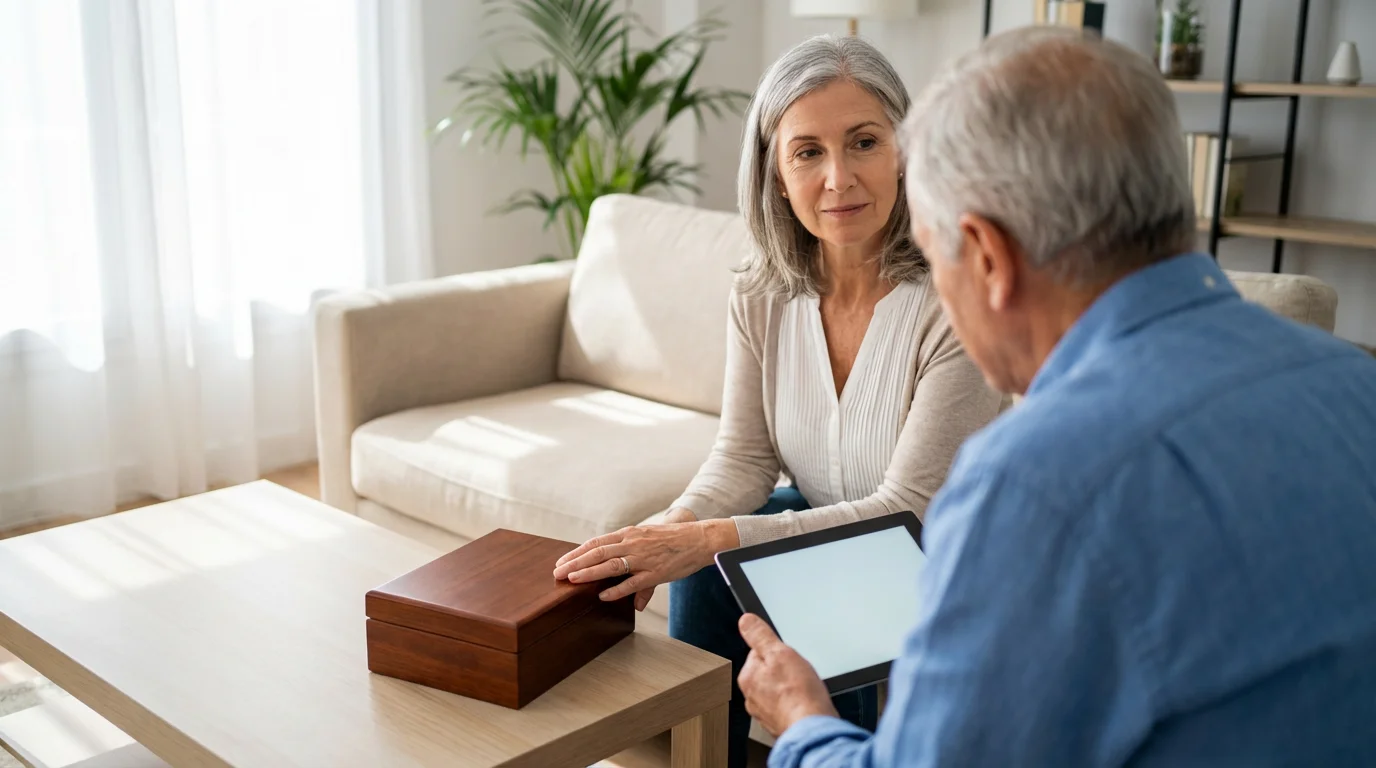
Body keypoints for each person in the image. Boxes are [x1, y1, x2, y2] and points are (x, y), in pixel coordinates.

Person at [735, 25, 1376, 767]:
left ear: (988, 259)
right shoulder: (1353, 381)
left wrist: (805, 720)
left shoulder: (1032, 484)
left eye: (935, 252)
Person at [552, 35, 1003, 767]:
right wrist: (668, 534)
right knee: (702, 556)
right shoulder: (761, 293)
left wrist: (707, 538)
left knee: (735, 554)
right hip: (835, 537)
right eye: (807, 152)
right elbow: (745, 457)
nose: (838, 177)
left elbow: (907, 512)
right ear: (775, 172)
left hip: (944, 562)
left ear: (906, 149)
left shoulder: (956, 299)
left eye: (863, 142)